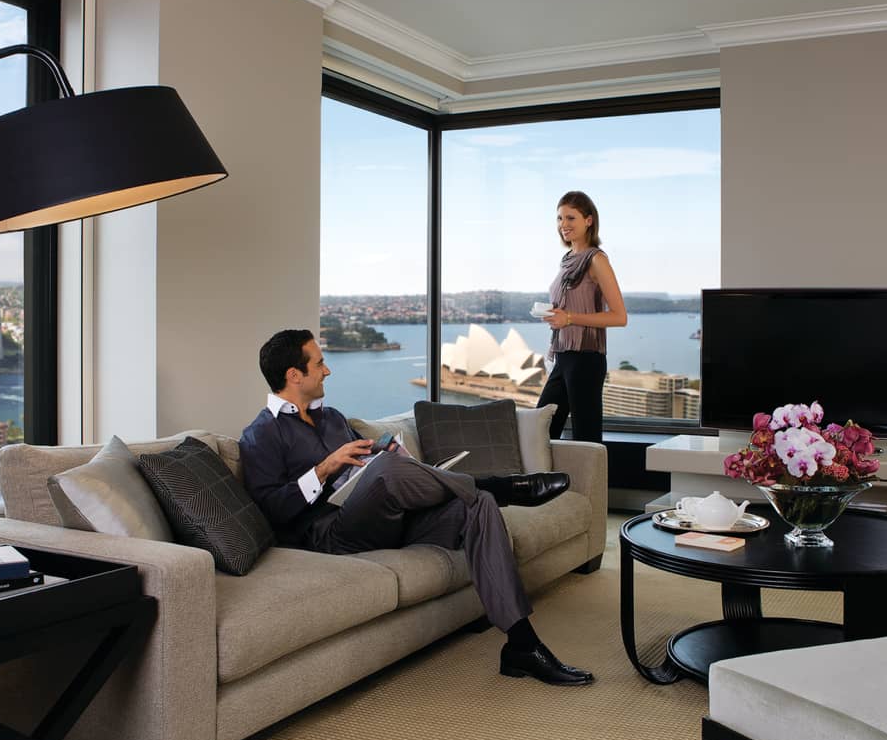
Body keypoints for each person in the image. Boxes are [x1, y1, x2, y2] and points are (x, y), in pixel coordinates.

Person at [238, 329, 594, 686]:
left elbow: (365, 472)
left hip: (384, 519)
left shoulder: (332, 418)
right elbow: (273, 510)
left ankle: (522, 646)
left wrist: (389, 454)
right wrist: (325, 468)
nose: (327, 370)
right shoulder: (261, 433)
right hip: (331, 536)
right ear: (293, 375)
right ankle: (503, 486)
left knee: (478, 505)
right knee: (399, 474)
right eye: (319, 363)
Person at [538, 191, 628, 443]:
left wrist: (569, 318)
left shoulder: (596, 260)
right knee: (539, 430)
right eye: (559, 218)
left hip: (586, 358)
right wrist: (557, 316)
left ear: (588, 220)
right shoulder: (567, 259)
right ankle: (545, 483)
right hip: (564, 357)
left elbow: (620, 317)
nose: (563, 225)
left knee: (586, 438)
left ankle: (592, 484)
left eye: (570, 218)